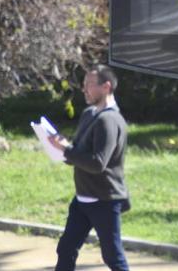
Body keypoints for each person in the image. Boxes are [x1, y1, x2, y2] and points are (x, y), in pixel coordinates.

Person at [48, 64, 130, 271]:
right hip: (83, 198)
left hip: (105, 200)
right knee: (66, 248)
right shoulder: (89, 114)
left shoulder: (109, 120)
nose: (84, 89)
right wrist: (62, 149)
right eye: (84, 85)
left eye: (89, 85)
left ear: (106, 87)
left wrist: (66, 151)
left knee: (113, 257)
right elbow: (78, 152)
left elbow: (97, 163)